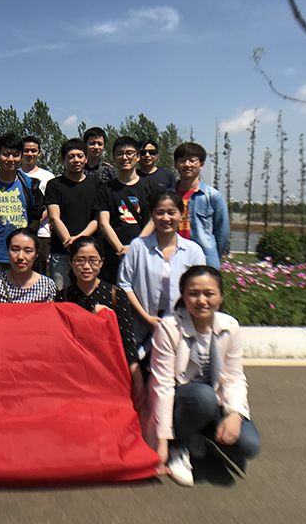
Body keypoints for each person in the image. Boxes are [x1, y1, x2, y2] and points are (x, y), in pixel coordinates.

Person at [150, 265, 261, 487]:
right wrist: (161, 442)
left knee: (249, 445)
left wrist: (236, 415)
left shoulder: (230, 326)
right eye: (193, 293)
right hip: (181, 399)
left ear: (221, 297)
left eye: (209, 293)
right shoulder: (170, 327)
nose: (201, 300)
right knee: (203, 397)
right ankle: (179, 445)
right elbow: (162, 386)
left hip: (212, 400)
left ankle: (199, 431)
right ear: (183, 295)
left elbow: (234, 377)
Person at [118, 191, 206, 375]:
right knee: (139, 377)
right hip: (142, 326)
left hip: (180, 326)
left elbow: (200, 290)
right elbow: (124, 285)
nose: (166, 218)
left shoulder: (193, 251)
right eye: (159, 213)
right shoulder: (138, 247)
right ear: (152, 215)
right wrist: (146, 318)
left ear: (181, 214)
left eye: (171, 212)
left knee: (175, 377)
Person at [58, 236, 145, 411]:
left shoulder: (116, 295)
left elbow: (127, 339)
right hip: (74, 373)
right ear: (70, 261)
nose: (86, 266)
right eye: (80, 260)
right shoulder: (62, 297)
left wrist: (137, 377)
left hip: (109, 371)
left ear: (102, 262)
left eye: (93, 260)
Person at [0, 133, 44, 281]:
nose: (10, 159)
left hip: (21, 256)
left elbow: (35, 219)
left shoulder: (30, 186)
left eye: (15, 155)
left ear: (21, 156)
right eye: (6, 154)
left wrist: (23, 243)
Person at [96, 136, 161, 284]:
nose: (124, 157)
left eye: (129, 153)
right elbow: (104, 223)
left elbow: (154, 220)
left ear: (138, 157)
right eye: (120, 153)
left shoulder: (151, 187)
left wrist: (134, 248)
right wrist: (120, 249)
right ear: (113, 158)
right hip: (114, 255)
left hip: (145, 252)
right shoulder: (106, 189)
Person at [45, 138, 100, 290]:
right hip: (61, 252)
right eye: (71, 156)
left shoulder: (96, 184)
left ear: (86, 159)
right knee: (61, 295)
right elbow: (54, 217)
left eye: (80, 156)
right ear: (63, 160)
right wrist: (69, 242)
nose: (76, 160)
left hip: (89, 252)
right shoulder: (54, 185)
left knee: (88, 295)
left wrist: (79, 242)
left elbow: (97, 219)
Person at [173, 142, 230, 268]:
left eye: (192, 160)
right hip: (173, 258)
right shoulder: (168, 195)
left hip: (204, 260)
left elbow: (222, 233)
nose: (187, 164)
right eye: (182, 160)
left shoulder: (213, 196)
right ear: (175, 165)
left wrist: (213, 256)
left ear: (201, 164)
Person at [0, 228, 57, 303]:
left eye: (28, 251)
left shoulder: (47, 285)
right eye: (15, 250)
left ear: (36, 254)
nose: (20, 257)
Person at [20, 135, 55, 275]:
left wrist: (35, 222)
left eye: (33, 151)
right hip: (17, 231)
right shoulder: (14, 174)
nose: (30, 154)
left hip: (41, 232)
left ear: (39, 153)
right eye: (26, 150)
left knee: (39, 273)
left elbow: (50, 205)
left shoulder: (48, 177)